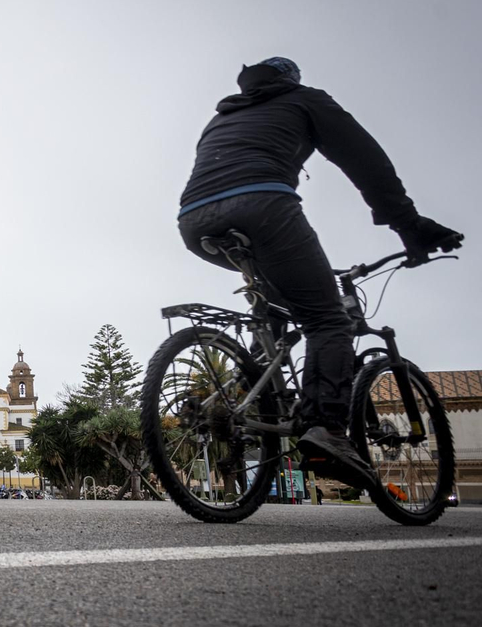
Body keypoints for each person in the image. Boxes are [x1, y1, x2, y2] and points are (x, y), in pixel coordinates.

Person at [178, 57, 462, 489]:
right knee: (327, 318)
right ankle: (325, 427)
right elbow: (366, 160)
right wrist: (410, 226)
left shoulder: (222, 117)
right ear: (292, 79)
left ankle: (253, 385)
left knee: (276, 299)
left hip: (195, 221)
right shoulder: (305, 100)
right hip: (263, 207)